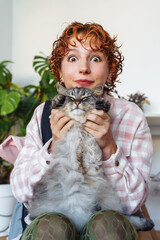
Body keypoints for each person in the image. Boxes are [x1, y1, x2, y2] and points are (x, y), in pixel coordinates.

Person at [1, 22, 153, 240]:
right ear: (60, 73)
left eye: (95, 58)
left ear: (110, 72)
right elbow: (22, 193)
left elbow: (132, 202)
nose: (83, 68)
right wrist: (53, 145)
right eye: (73, 58)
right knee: (51, 227)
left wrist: (109, 147)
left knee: (108, 225)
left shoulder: (130, 116)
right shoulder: (44, 114)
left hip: (107, 222)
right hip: (52, 218)